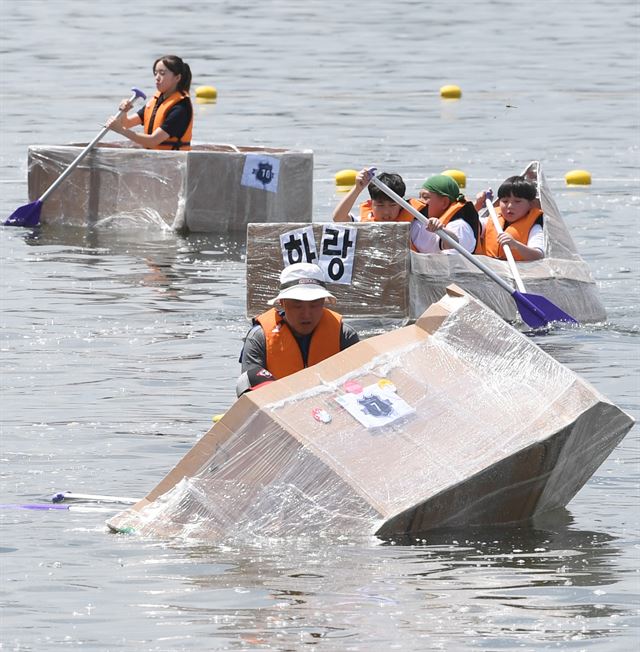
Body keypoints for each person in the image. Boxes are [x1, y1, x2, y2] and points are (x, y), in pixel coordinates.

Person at [237, 262, 360, 396]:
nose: (306, 314)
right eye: (297, 306)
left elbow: (360, 385)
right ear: (282, 303)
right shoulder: (259, 338)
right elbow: (251, 396)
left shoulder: (345, 336)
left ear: (324, 301)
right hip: (278, 410)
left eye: (314, 305)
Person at [333, 168, 478, 254]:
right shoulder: (365, 222)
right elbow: (338, 218)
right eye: (380, 205)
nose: (386, 212)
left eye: (392, 205)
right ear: (371, 204)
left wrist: (441, 229)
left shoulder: (414, 228)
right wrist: (357, 188)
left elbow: (451, 244)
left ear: (401, 205)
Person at [107, 55, 193, 150]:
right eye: (155, 73)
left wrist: (121, 130)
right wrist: (124, 111)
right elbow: (126, 123)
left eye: (162, 73)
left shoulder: (181, 108)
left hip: (174, 162)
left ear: (177, 78)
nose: (157, 77)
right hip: (154, 160)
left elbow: (153, 141)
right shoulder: (156, 102)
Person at [476, 176, 545, 261]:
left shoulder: (535, 228)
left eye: (517, 201)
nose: (510, 206)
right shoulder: (491, 220)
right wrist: (477, 205)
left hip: (521, 271)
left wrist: (515, 245)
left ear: (531, 204)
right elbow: (468, 225)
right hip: (489, 268)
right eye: (505, 201)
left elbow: (538, 256)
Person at [411, 174, 481, 254]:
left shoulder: (459, 227)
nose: (420, 202)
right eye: (419, 197)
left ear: (444, 202)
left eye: (425, 197)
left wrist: (441, 230)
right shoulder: (418, 224)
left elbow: (450, 259)